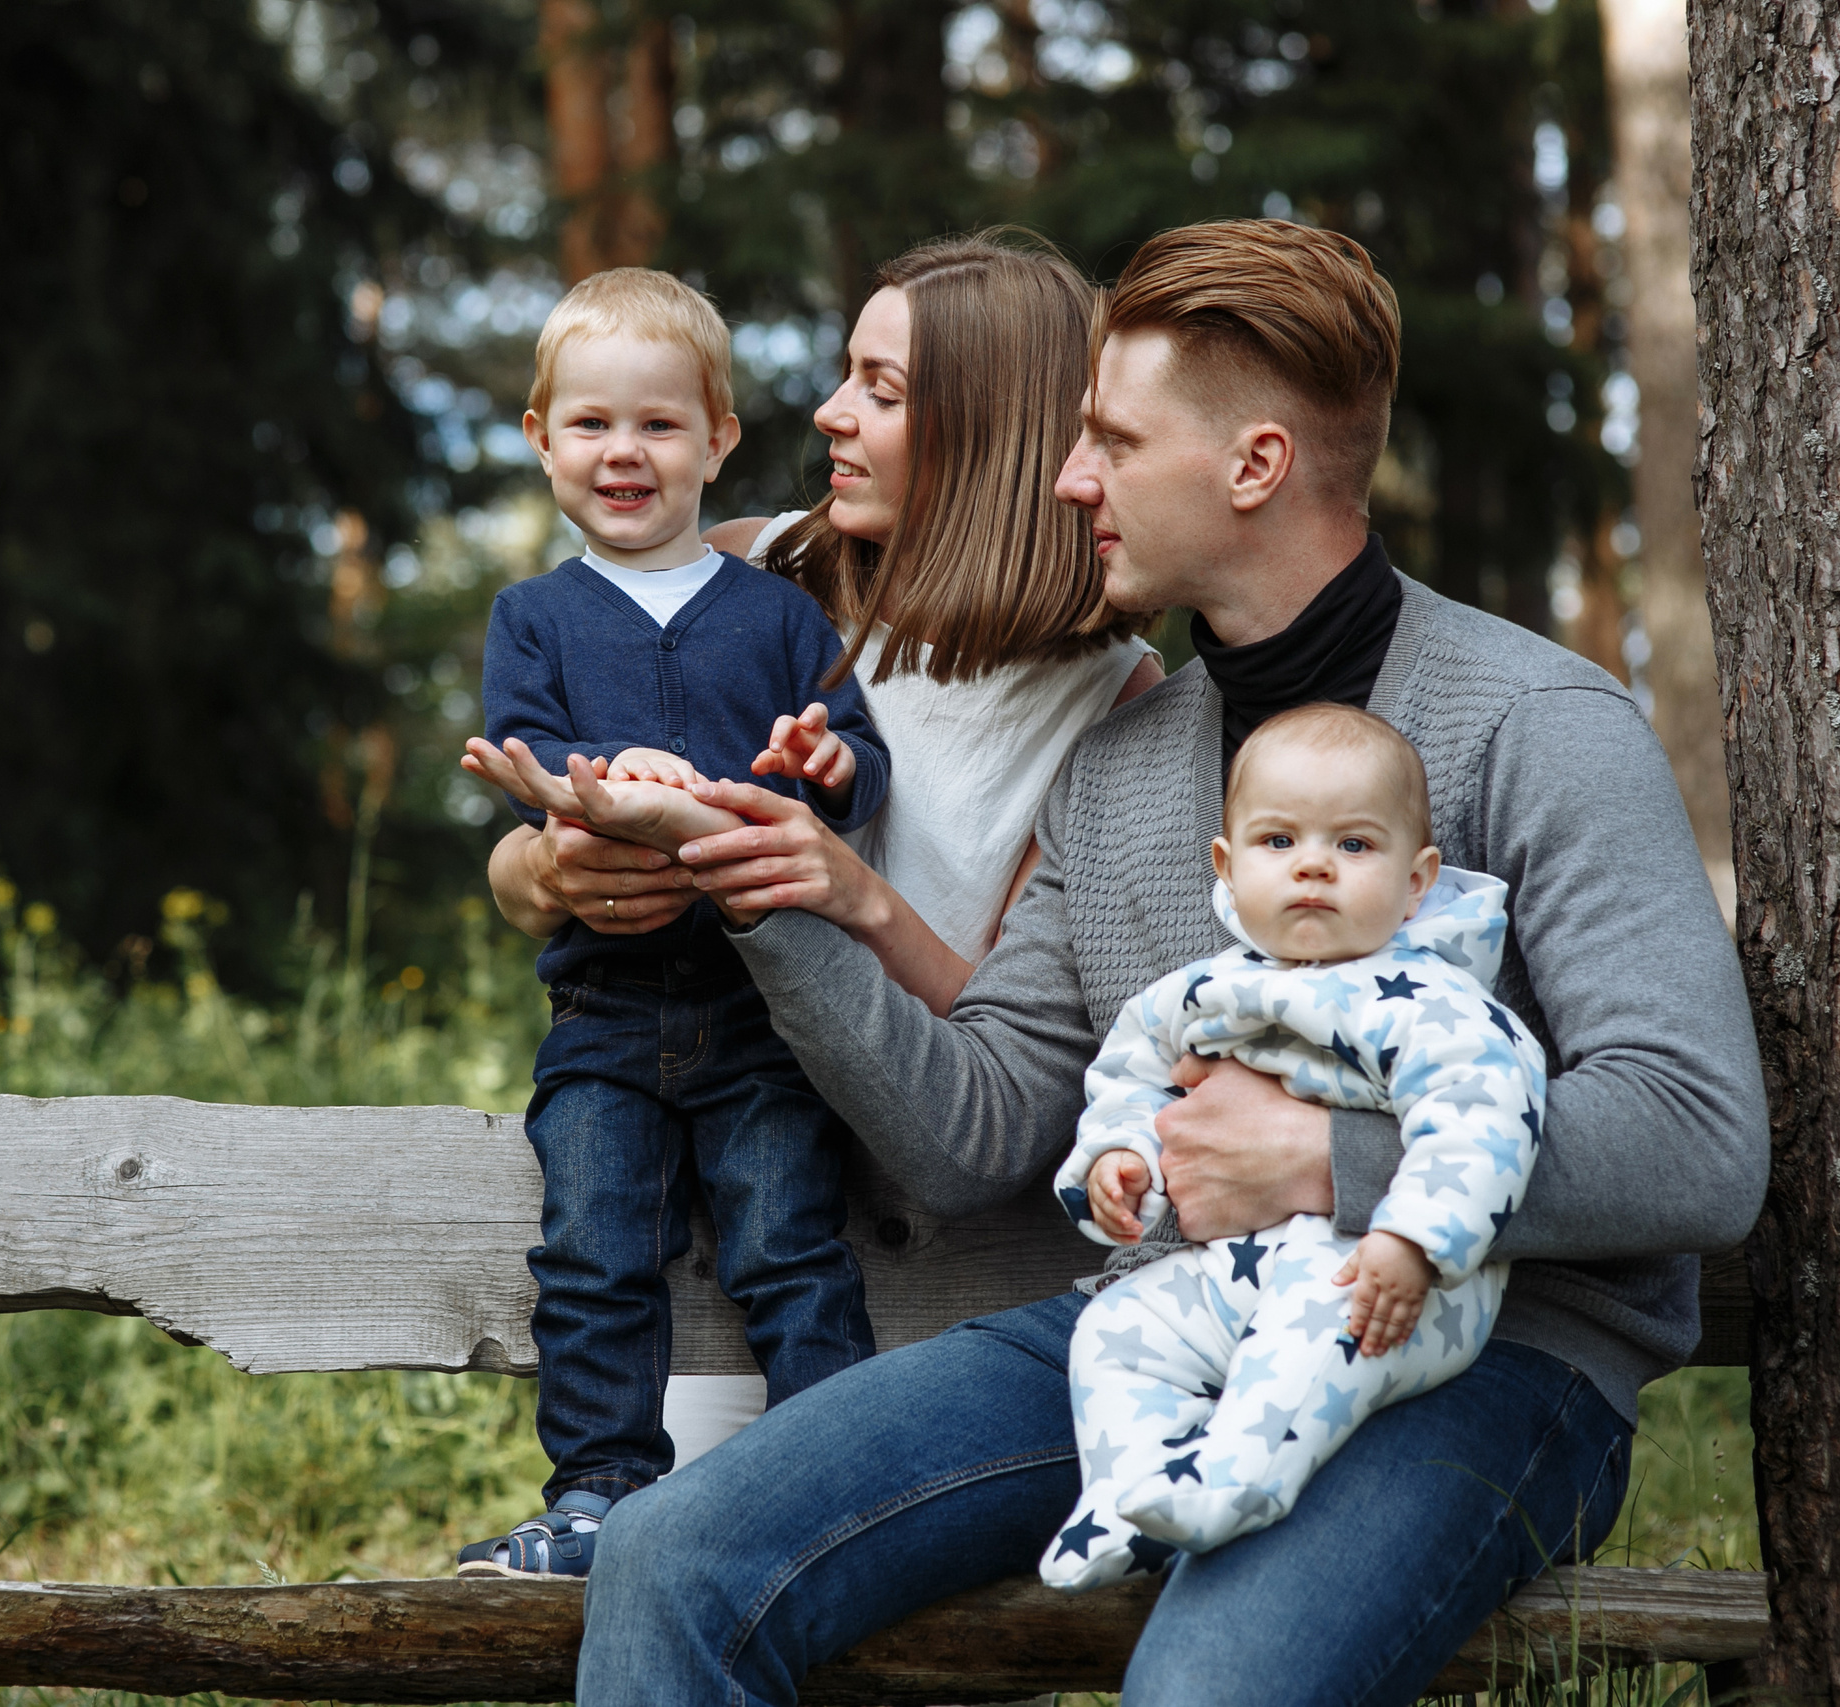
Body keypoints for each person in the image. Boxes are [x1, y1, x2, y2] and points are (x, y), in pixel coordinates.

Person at [576, 219, 1767, 1706]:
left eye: (1113, 442)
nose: (1071, 479)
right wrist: (779, 900)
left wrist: (1323, 1157)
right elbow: (977, 1128)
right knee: (676, 1553)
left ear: (1253, 466)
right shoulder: (1125, 766)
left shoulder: (1539, 720)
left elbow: (1700, 1138)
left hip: (1489, 1355)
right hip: (1161, 1328)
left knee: (1206, 1687)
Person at [480, 231, 1159, 1462]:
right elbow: (535, 858)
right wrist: (542, 872)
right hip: (716, 1164)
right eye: (848, 372)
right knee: (686, 1526)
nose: (831, 412)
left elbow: (1009, 1055)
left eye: (881, 390)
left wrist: (853, 895)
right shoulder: (748, 568)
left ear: (987, 429)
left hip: (946, 1244)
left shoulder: (1113, 701)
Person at [452, 268, 889, 1579]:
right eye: (588, 424)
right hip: (602, 1008)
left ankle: (841, 1480)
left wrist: (827, 760)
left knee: (790, 1238)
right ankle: (598, 1488)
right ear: (540, 440)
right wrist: (579, 788)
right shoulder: (535, 615)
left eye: (656, 423)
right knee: (591, 1244)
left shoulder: (776, 610)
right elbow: (527, 748)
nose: (622, 451)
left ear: (718, 438)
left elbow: (848, 747)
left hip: (763, 1011)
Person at [1039, 702, 1546, 1587]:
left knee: (1306, 1342)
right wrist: (1123, 1160)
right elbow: (1130, 1078)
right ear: (1228, 870)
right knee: (1117, 1327)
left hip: (1384, 1284)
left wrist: (1415, 1237)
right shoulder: (1201, 991)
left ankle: (1238, 1483)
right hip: (1238, 1269)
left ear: (1418, 879)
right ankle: (1126, 1497)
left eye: (1354, 845)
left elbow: (1484, 1116)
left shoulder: (1433, 1001)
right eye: (1278, 842)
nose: (1313, 863)